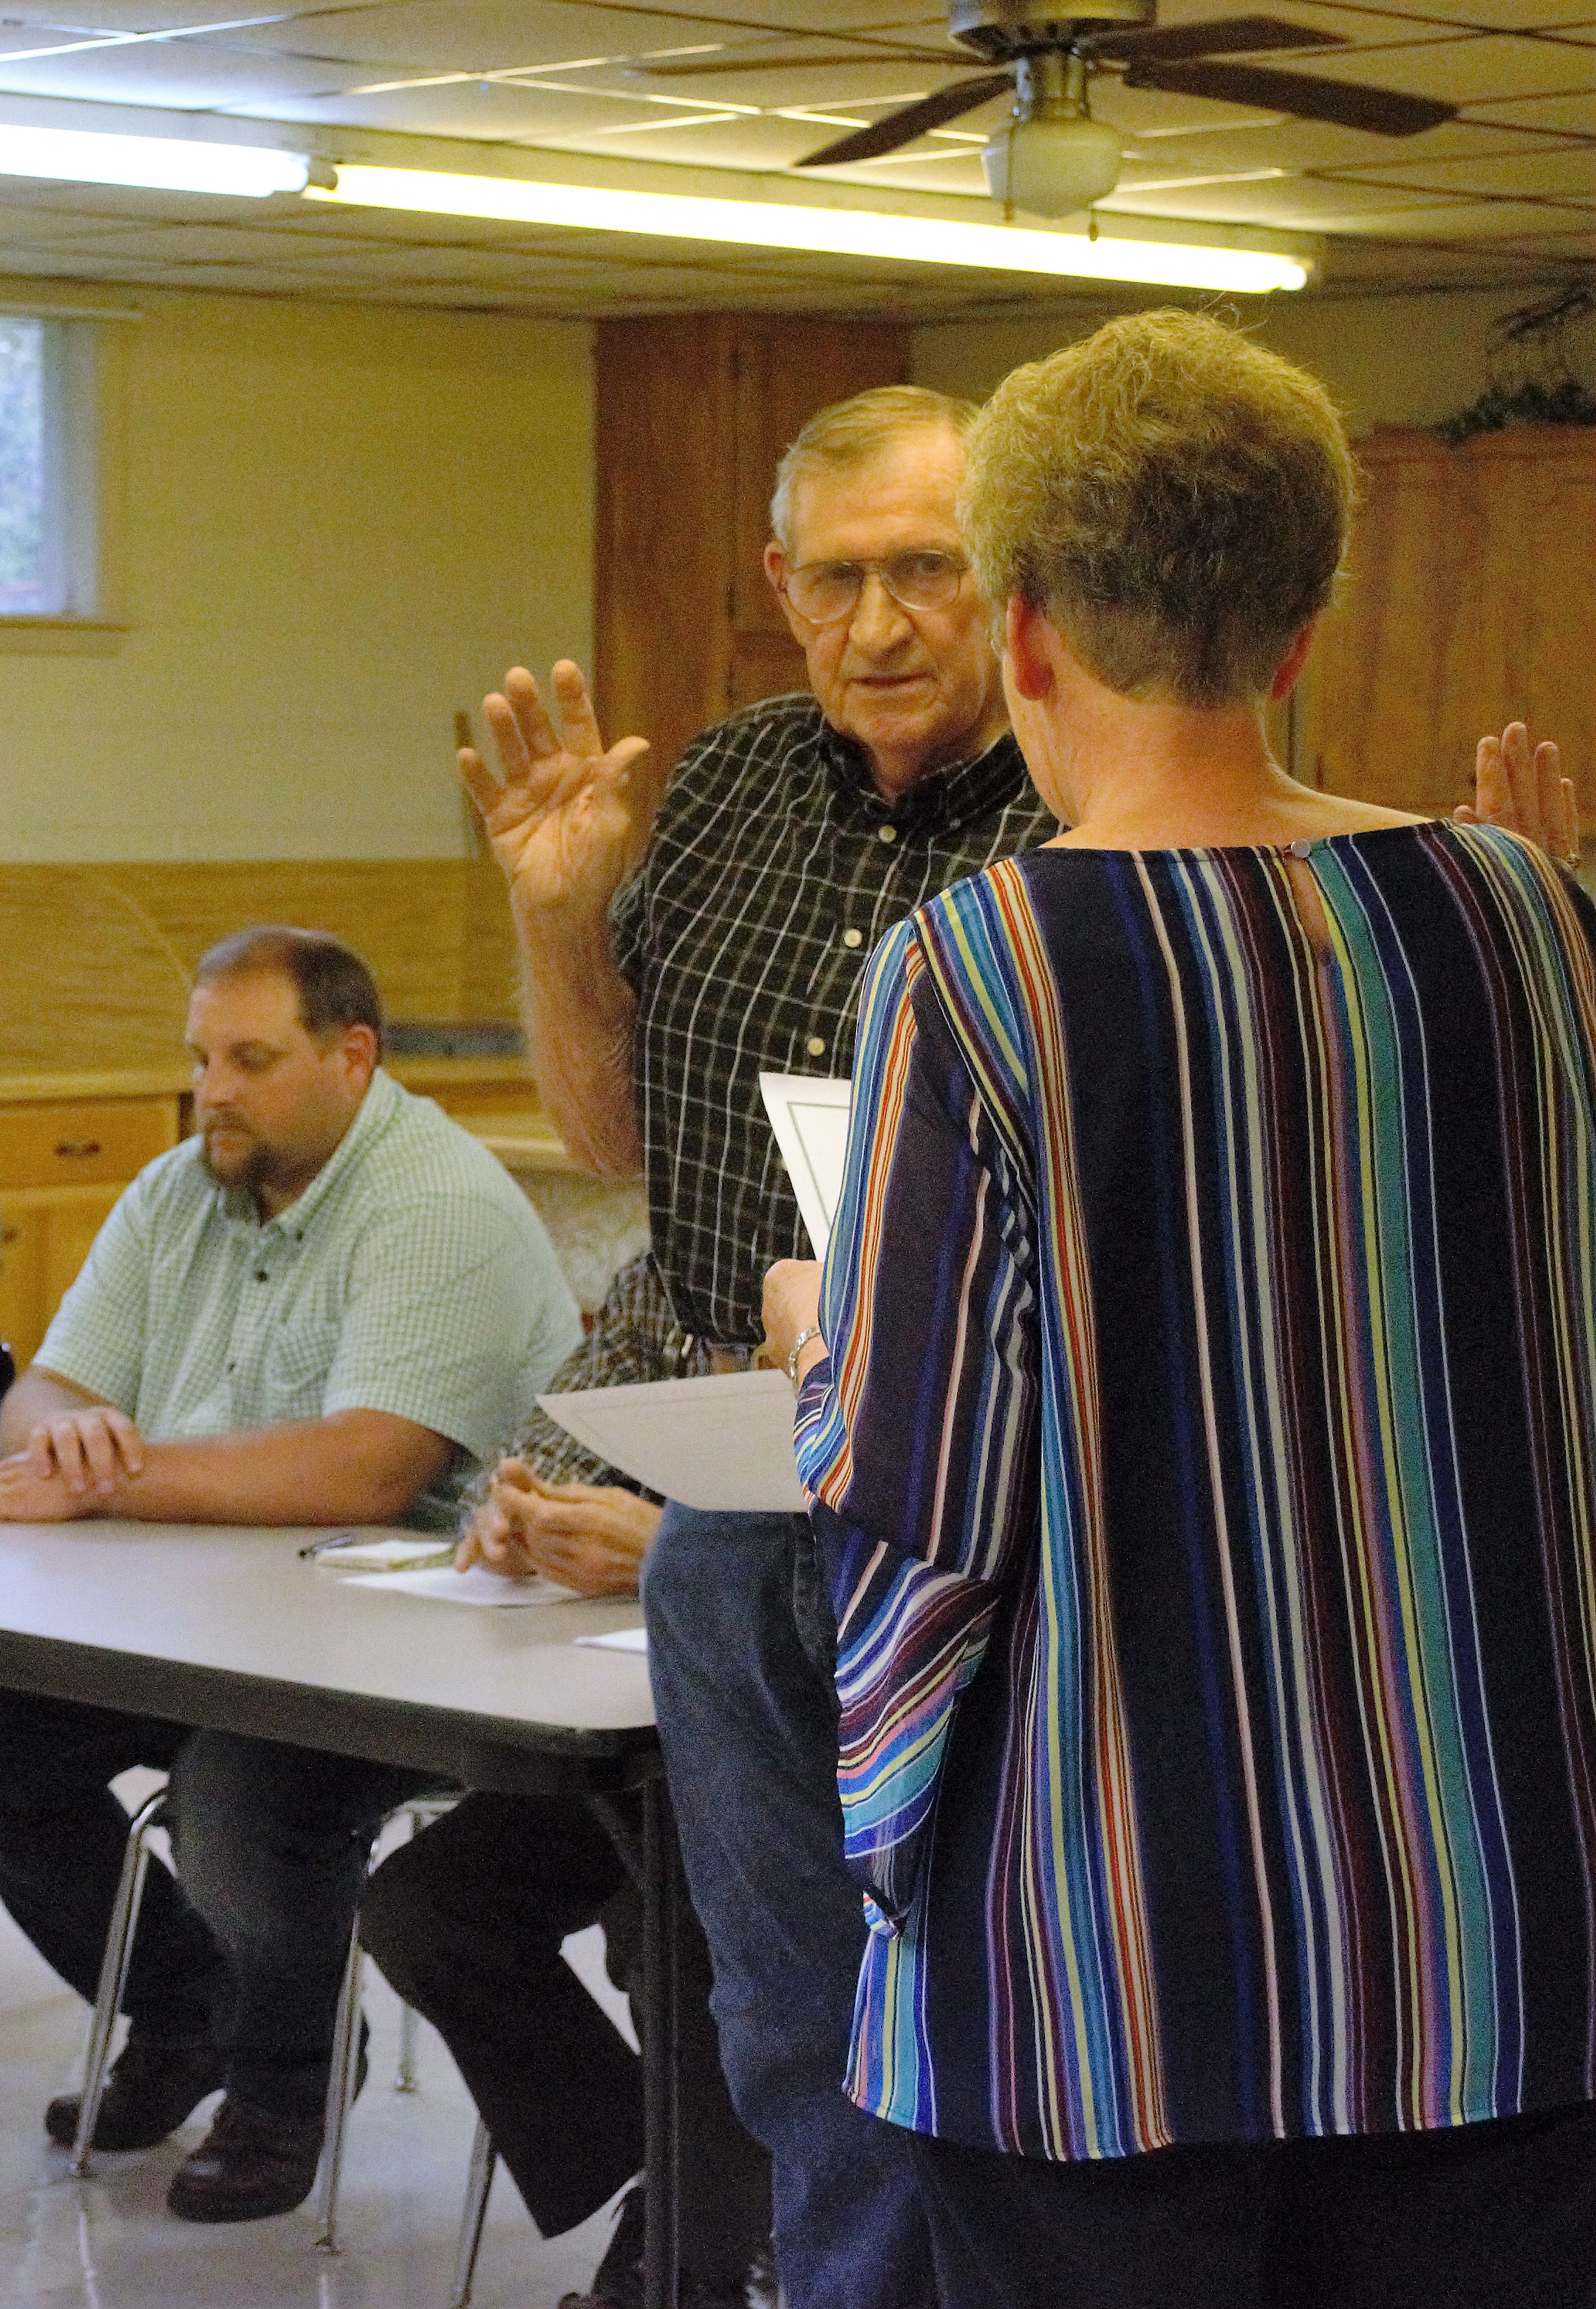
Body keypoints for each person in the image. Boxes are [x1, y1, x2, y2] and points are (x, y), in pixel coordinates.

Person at [771, 308, 1596, 2308]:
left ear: (1024, 629)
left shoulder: (977, 966)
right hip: (1503, 1948)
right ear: (1301, 628)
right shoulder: (1530, 912)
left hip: (1100, 1977)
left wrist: (818, 1344)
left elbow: (920, 1516)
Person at [462, 382, 1056, 2306]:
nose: (875, 626)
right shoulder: (724, 782)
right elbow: (612, 1140)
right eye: (832, 580)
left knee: (993, 1983)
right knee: (776, 2002)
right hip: (732, 1506)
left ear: (1012, 578)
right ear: (778, 584)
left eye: (925, 572)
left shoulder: (1086, 814)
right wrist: (561, 919)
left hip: (988, 1511)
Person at [0, 927, 581, 2224]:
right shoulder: (179, 1189)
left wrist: (108, 1479)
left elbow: (369, 1469)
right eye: (201, 1059)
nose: (213, 1091)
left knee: (242, 1786)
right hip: (202, 1613)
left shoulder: (439, 1205)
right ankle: (187, 2013)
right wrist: (65, 1440)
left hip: (414, 1637)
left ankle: (282, 2083)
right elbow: (41, 1392)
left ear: (353, 1057)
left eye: (251, 1061)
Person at [357, 1257, 775, 2309]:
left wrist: (675, 1551)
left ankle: (690, 2248)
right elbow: (540, 1449)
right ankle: (684, 2178)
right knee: (424, 1909)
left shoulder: (878, 1274)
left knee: (670, 1929)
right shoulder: (662, 1278)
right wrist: (515, 1516)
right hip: (633, 1717)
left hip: (795, 1735)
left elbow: (876, 1545)